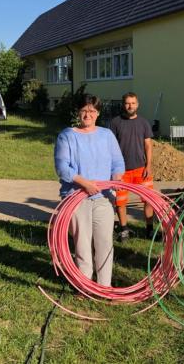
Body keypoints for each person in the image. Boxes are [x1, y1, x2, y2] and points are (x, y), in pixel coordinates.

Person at [54, 94, 125, 285]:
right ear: (78, 112)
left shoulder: (106, 135)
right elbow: (62, 168)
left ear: (98, 113)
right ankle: (85, 286)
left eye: (92, 111)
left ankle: (104, 286)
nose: (88, 114)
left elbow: (118, 162)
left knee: (104, 243)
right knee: (82, 245)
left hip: (104, 197)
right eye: (84, 110)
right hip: (77, 198)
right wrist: (85, 183)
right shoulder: (67, 135)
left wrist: (117, 177)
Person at [108, 92, 156, 241]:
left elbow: (148, 145)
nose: (130, 106)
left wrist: (148, 165)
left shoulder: (143, 123)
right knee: (121, 202)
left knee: (149, 200)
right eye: (128, 103)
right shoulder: (115, 123)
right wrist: (112, 170)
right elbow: (109, 146)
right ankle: (124, 230)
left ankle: (149, 230)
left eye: (133, 103)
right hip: (121, 172)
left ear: (138, 104)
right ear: (123, 104)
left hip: (141, 169)